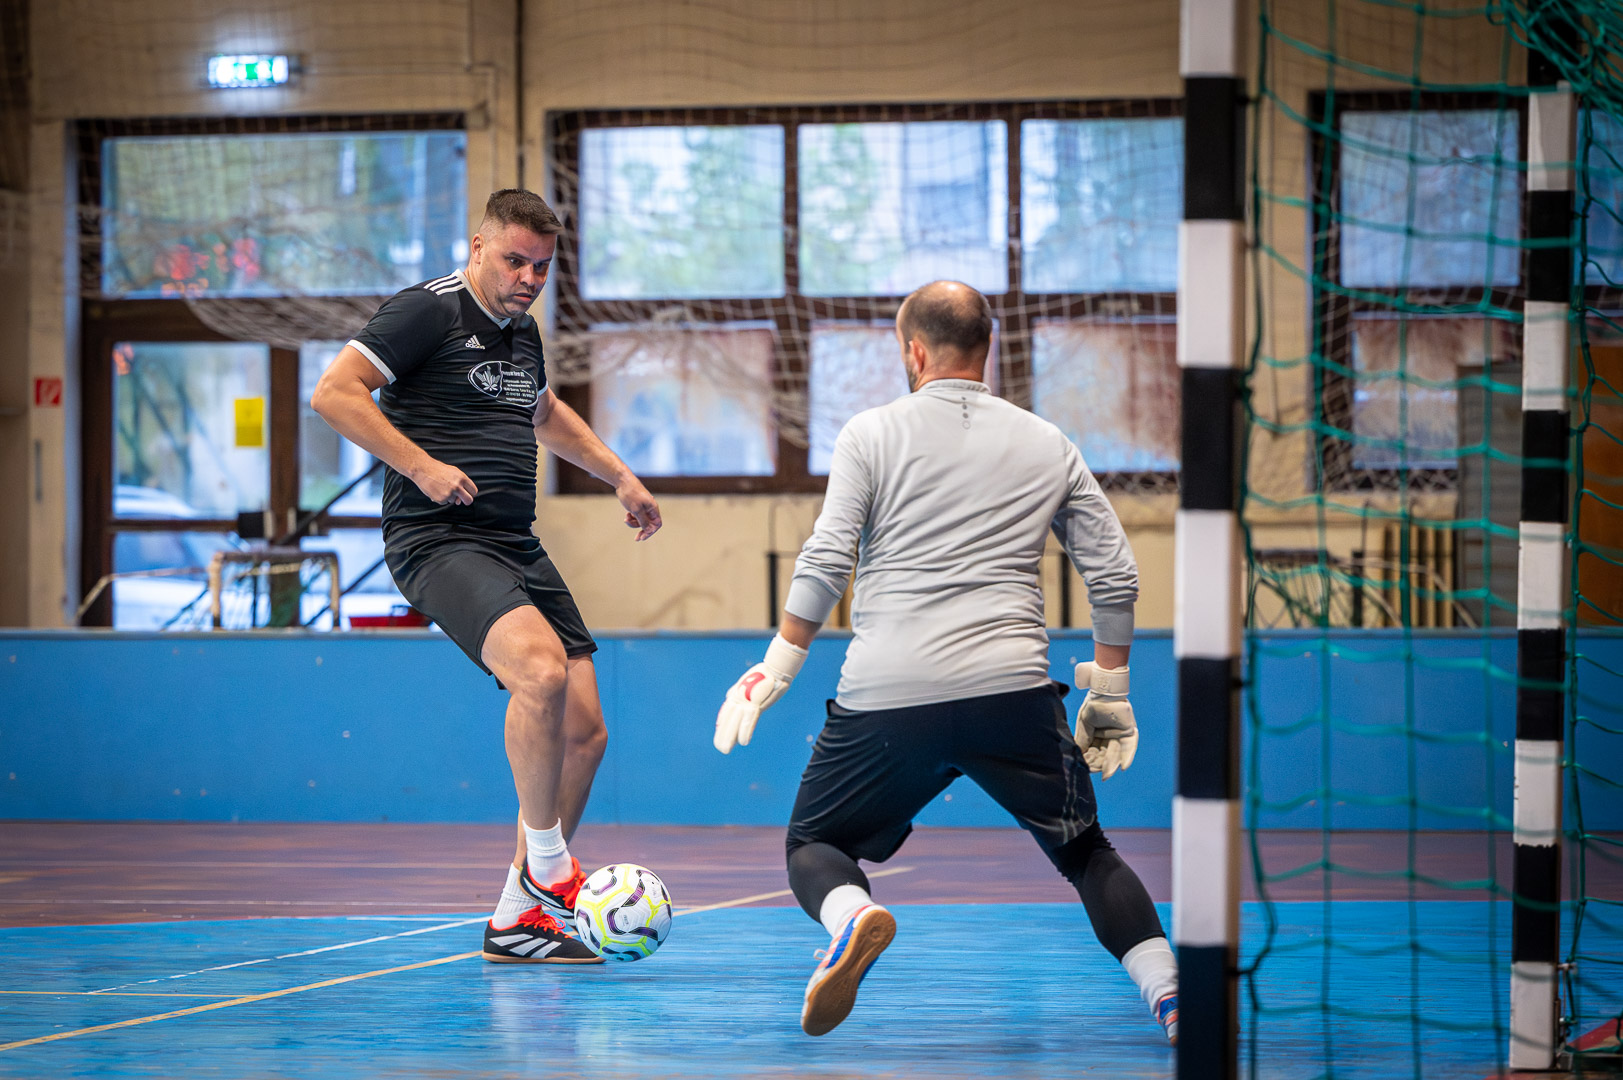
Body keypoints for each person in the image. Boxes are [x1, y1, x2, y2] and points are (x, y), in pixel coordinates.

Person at [713, 280, 1179, 1038]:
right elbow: (1115, 573)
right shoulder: (1046, 442)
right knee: (1086, 852)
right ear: (987, 348)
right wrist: (1110, 691)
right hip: (1011, 693)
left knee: (813, 845)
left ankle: (851, 917)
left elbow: (827, 558)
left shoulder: (869, 433)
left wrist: (779, 663)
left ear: (914, 352)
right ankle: (1172, 998)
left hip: (887, 695)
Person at [313, 189, 662, 965]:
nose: (528, 278)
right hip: (436, 539)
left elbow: (543, 413)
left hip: (513, 543)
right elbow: (333, 393)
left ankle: (517, 919)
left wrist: (619, 476)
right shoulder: (426, 311)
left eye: (541, 267)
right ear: (477, 248)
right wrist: (421, 466)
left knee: (585, 730)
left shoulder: (521, 331)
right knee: (538, 672)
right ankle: (548, 868)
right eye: (514, 261)